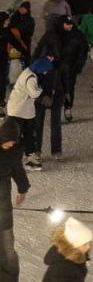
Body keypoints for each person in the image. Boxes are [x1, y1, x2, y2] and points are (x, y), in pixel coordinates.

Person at [0, 118, 30, 280]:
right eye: (8, 141)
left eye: (13, 141)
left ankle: (11, 278)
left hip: (3, 209)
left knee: (8, 250)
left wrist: (23, 188)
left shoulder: (13, 151)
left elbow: (17, 169)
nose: (11, 144)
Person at [40, 216, 93, 282]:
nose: (88, 247)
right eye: (84, 244)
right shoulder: (62, 268)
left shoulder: (75, 257)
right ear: (73, 245)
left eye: (89, 243)